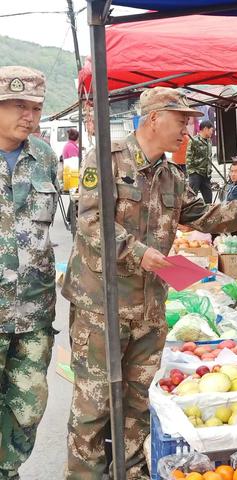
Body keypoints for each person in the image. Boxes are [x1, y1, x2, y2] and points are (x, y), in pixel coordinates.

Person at [61, 86, 237, 479]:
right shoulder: (105, 159)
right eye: (181, 121)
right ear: (154, 117)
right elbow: (90, 222)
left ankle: (129, 472)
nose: (187, 131)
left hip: (149, 309)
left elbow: (201, 215)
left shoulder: (171, 175)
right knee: (94, 408)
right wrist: (138, 252)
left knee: (137, 404)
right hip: (102, 308)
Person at [0, 66, 59, 480]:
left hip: (34, 313)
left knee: (28, 406)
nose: (30, 116)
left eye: (36, 107)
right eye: (19, 105)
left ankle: (9, 470)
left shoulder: (45, 156)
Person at [186, 119, 214, 203]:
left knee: (209, 198)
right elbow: (188, 158)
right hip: (196, 173)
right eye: (211, 130)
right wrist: (192, 173)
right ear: (205, 129)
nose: (212, 133)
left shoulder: (209, 141)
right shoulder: (194, 141)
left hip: (206, 174)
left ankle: (209, 214)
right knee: (191, 198)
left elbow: (209, 157)